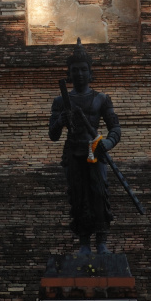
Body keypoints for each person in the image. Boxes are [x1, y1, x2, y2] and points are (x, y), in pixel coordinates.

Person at [49, 39, 121, 254]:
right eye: (75, 70)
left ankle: (101, 241)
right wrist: (61, 121)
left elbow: (115, 128)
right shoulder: (60, 101)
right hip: (73, 151)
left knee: (99, 193)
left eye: (83, 70)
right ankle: (83, 242)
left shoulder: (101, 99)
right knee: (78, 195)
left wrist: (107, 143)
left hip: (95, 150)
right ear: (69, 74)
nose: (79, 74)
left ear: (90, 73)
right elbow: (53, 135)